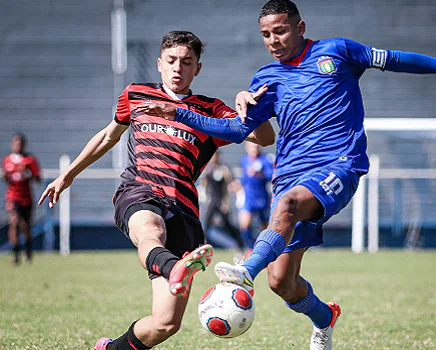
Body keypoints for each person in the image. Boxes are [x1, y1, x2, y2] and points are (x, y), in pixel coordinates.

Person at [137, 1, 436, 348]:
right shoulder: (266, 78)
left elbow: (396, 59)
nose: (273, 39)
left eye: (280, 30)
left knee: (287, 208)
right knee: (281, 282)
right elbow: (236, 130)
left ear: (300, 27)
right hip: (290, 177)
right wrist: (179, 113)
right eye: (265, 34)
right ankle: (325, 319)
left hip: (339, 166)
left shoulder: (338, 52)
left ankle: (245, 270)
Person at [38, 31, 274, 350]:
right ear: (160, 64)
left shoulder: (210, 109)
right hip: (140, 189)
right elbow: (108, 136)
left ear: (197, 69)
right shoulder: (135, 95)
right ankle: (172, 266)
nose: (178, 68)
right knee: (151, 230)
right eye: (172, 61)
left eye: (187, 62)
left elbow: (263, 138)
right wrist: (68, 174)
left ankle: (109, 349)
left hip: (184, 209)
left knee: (165, 324)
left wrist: (252, 107)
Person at [3, 133, 41, 265]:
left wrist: (27, 174)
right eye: (15, 144)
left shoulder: (30, 160)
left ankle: (28, 251)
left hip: (26, 198)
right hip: (13, 196)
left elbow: (38, 178)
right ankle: (15, 254)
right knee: (14, 222)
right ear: (12, 145)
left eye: (20, 144)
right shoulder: (7, 160)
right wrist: (5, 176)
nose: (17, 146)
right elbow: (7, 179)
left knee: (25, 227)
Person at [200, 151, 245, 250]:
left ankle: (240, 245)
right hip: (211, 201)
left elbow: (229, 184)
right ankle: (201, 246)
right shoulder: (209, 169)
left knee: (227, 224)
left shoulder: (224, 169)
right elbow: (204, 183)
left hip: (221, 201)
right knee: (206, 224)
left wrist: (227, 202)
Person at [236, 142, 273, 249]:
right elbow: (244, 177)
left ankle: (264, 249)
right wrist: (237, 183)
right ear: (247, 148)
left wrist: (260, 174)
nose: (254, 149)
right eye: (252, 147)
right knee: (245, 224)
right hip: (248, 197)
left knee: (265, 227)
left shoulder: (265, 159)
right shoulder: (244, 160)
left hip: (262, 197)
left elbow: (270, 175)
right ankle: (250, 248)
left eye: (256, 147)